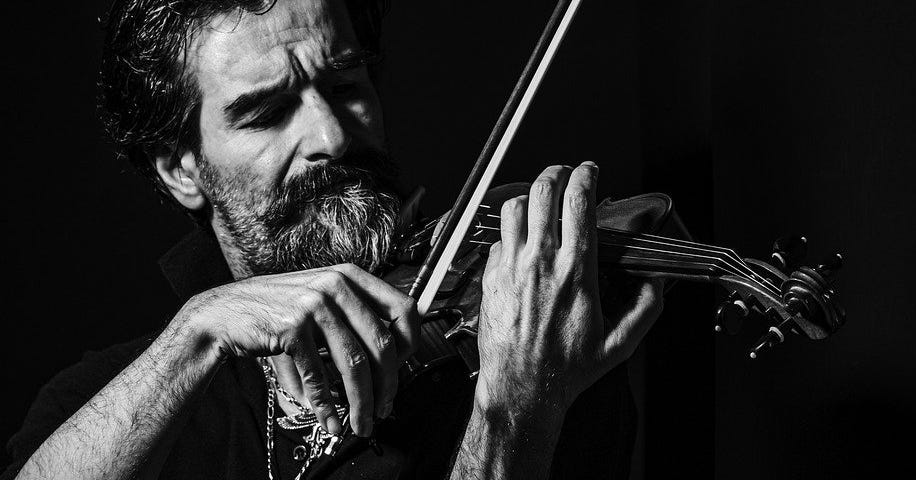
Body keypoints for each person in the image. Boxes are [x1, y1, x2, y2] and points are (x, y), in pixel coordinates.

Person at [2, 0, 664, 478]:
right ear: (180, 170)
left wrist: (513, 419)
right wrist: (197, 333)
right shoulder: (99, 407)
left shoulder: (538, 358)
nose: (331, 136)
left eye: (345, 84)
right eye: (267, 113)